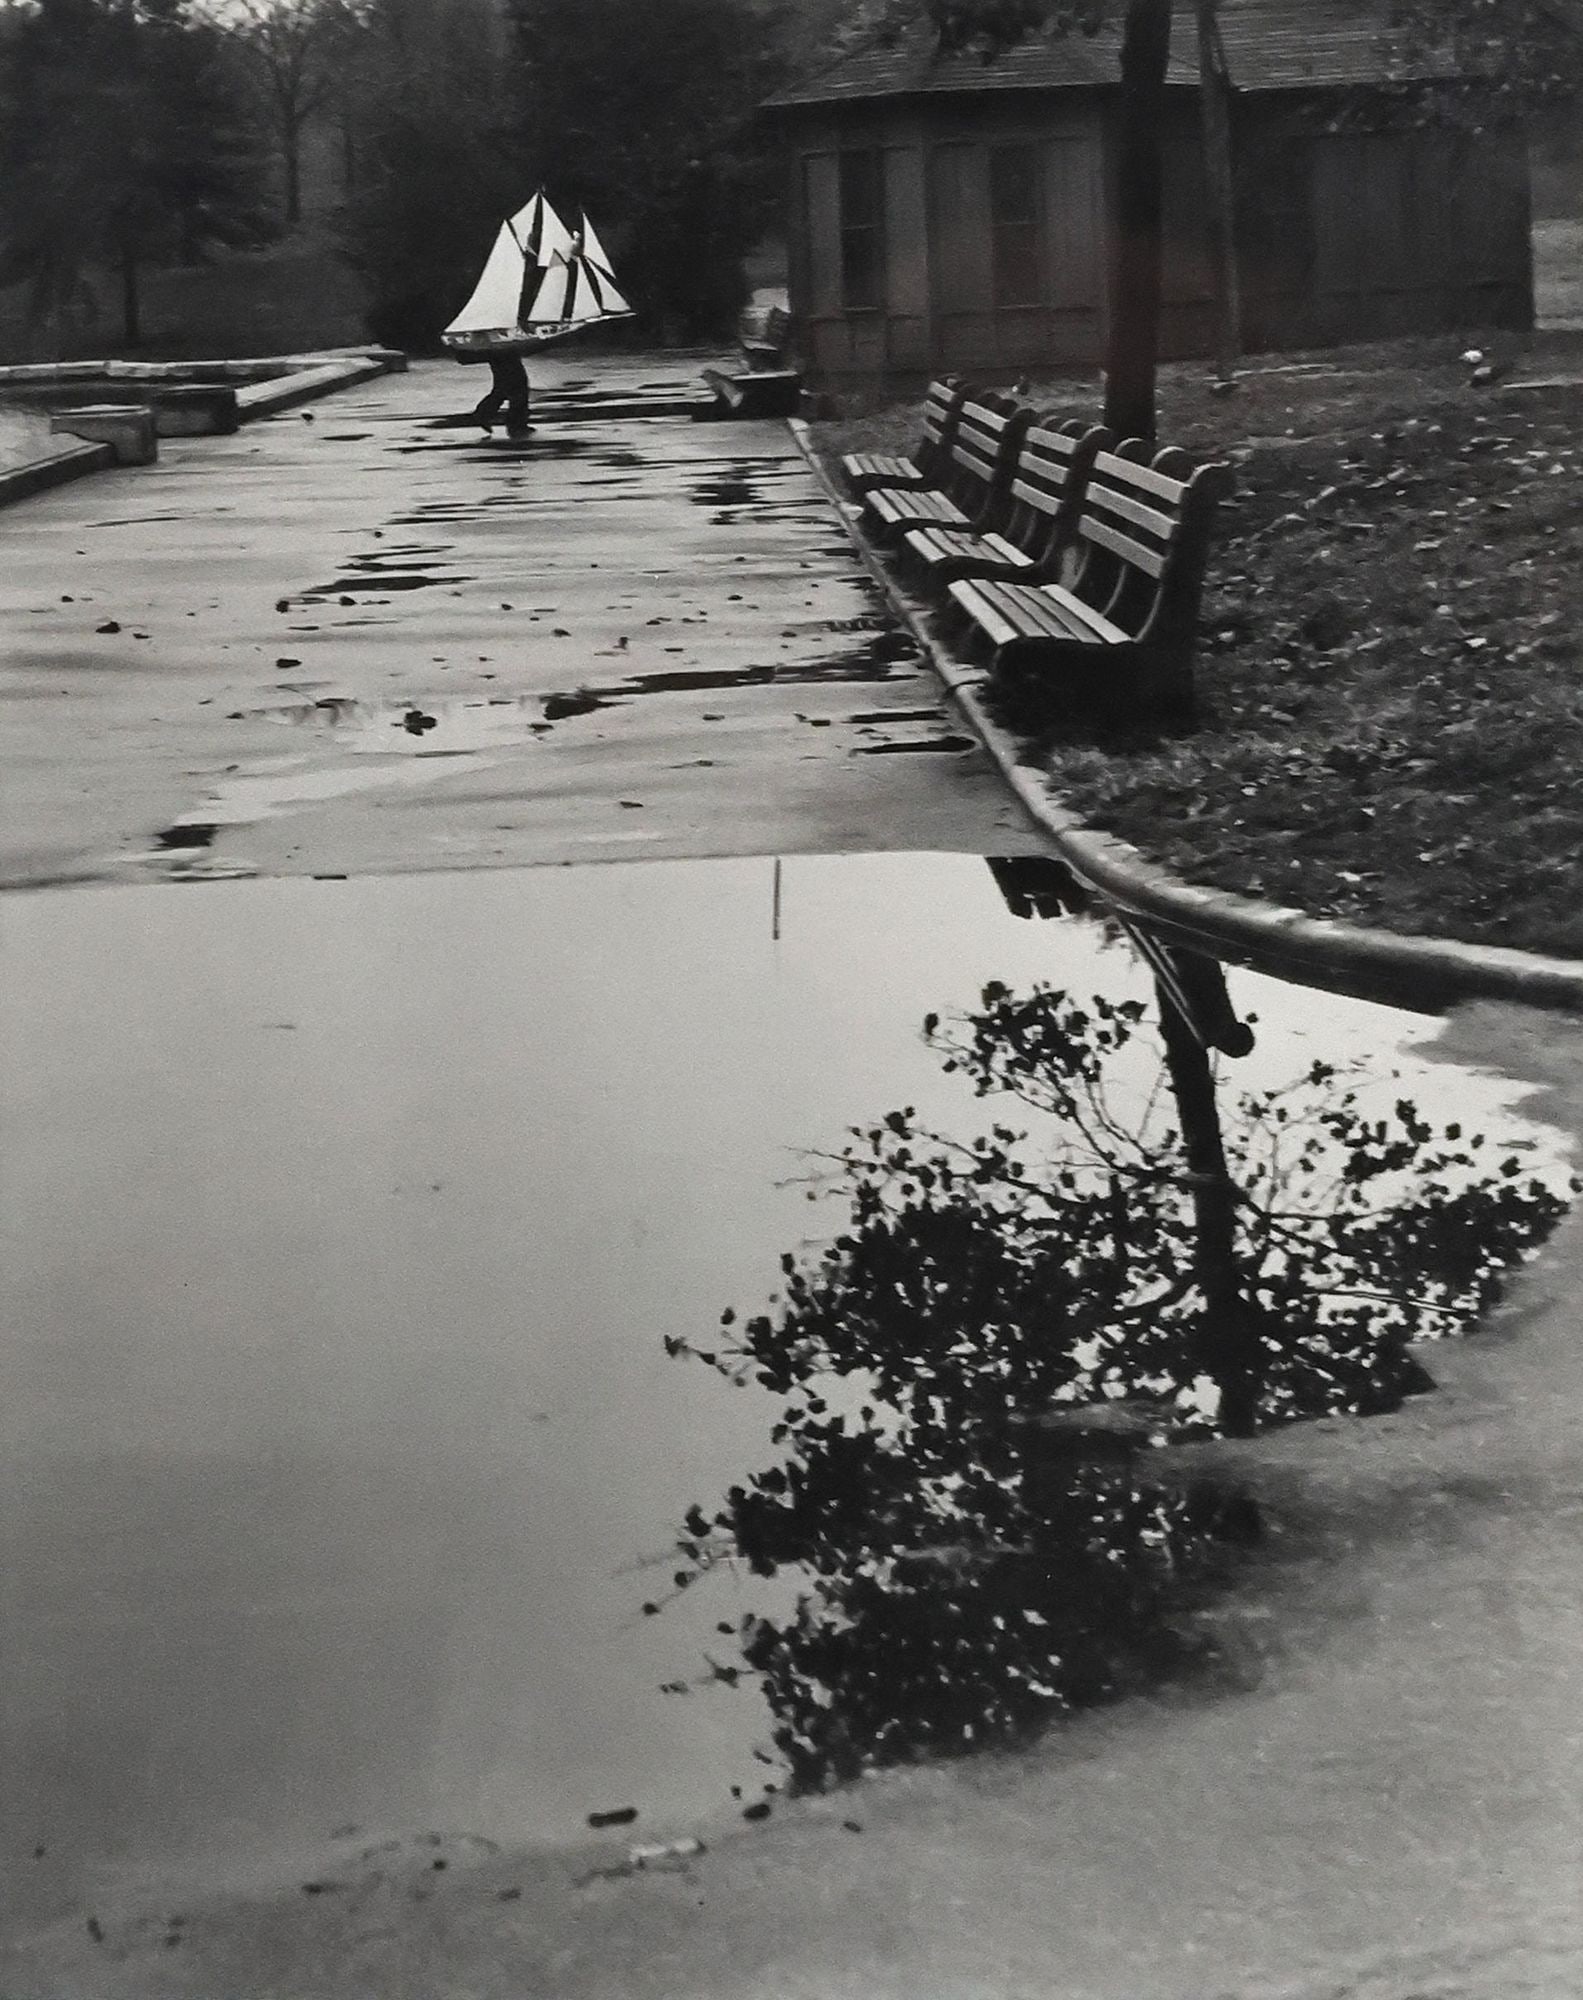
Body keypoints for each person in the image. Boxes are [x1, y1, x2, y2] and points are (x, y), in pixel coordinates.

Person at [472, 351, 532, 438]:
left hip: (499, 351)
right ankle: (516, 425)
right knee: (517, 387)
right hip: (503, 351)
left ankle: (484, 413)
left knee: (504, 386)